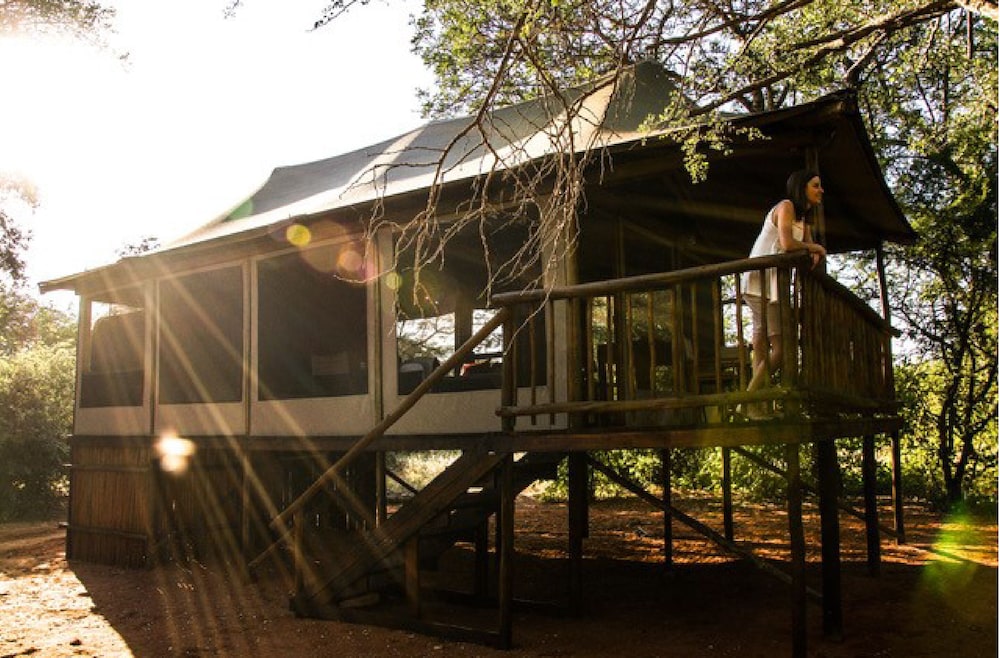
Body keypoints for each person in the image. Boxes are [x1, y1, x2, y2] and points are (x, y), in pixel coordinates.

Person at [741, 169, 827, 418]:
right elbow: (788, 244)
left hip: (771, 285)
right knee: (781, 346)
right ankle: (747, 401)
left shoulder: (803, 220)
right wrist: (815, 247)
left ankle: (759, 406)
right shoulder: (786, 206)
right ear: (802, 187)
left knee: (761, 343)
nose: (821, 190)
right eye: (815, 185)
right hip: (760, 281)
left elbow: (805, 249)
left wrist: (812, 250)